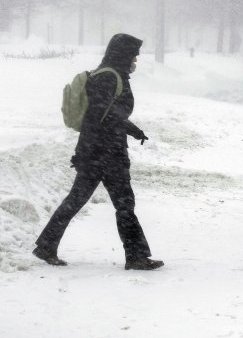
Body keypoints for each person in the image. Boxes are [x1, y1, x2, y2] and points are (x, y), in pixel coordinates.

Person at [33, 33, 163, 271]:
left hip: (102, 151)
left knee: (81, 201)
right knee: (122, 204)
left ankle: (46, 245)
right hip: (104, 153)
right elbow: (98, 117)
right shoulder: (108, 78)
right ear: (123, 54)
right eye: (134, 55)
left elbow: (111, 115)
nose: (136, 59)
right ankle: (135, 256)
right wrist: (84, 152)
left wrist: (133, 131)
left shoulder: (111, 75)